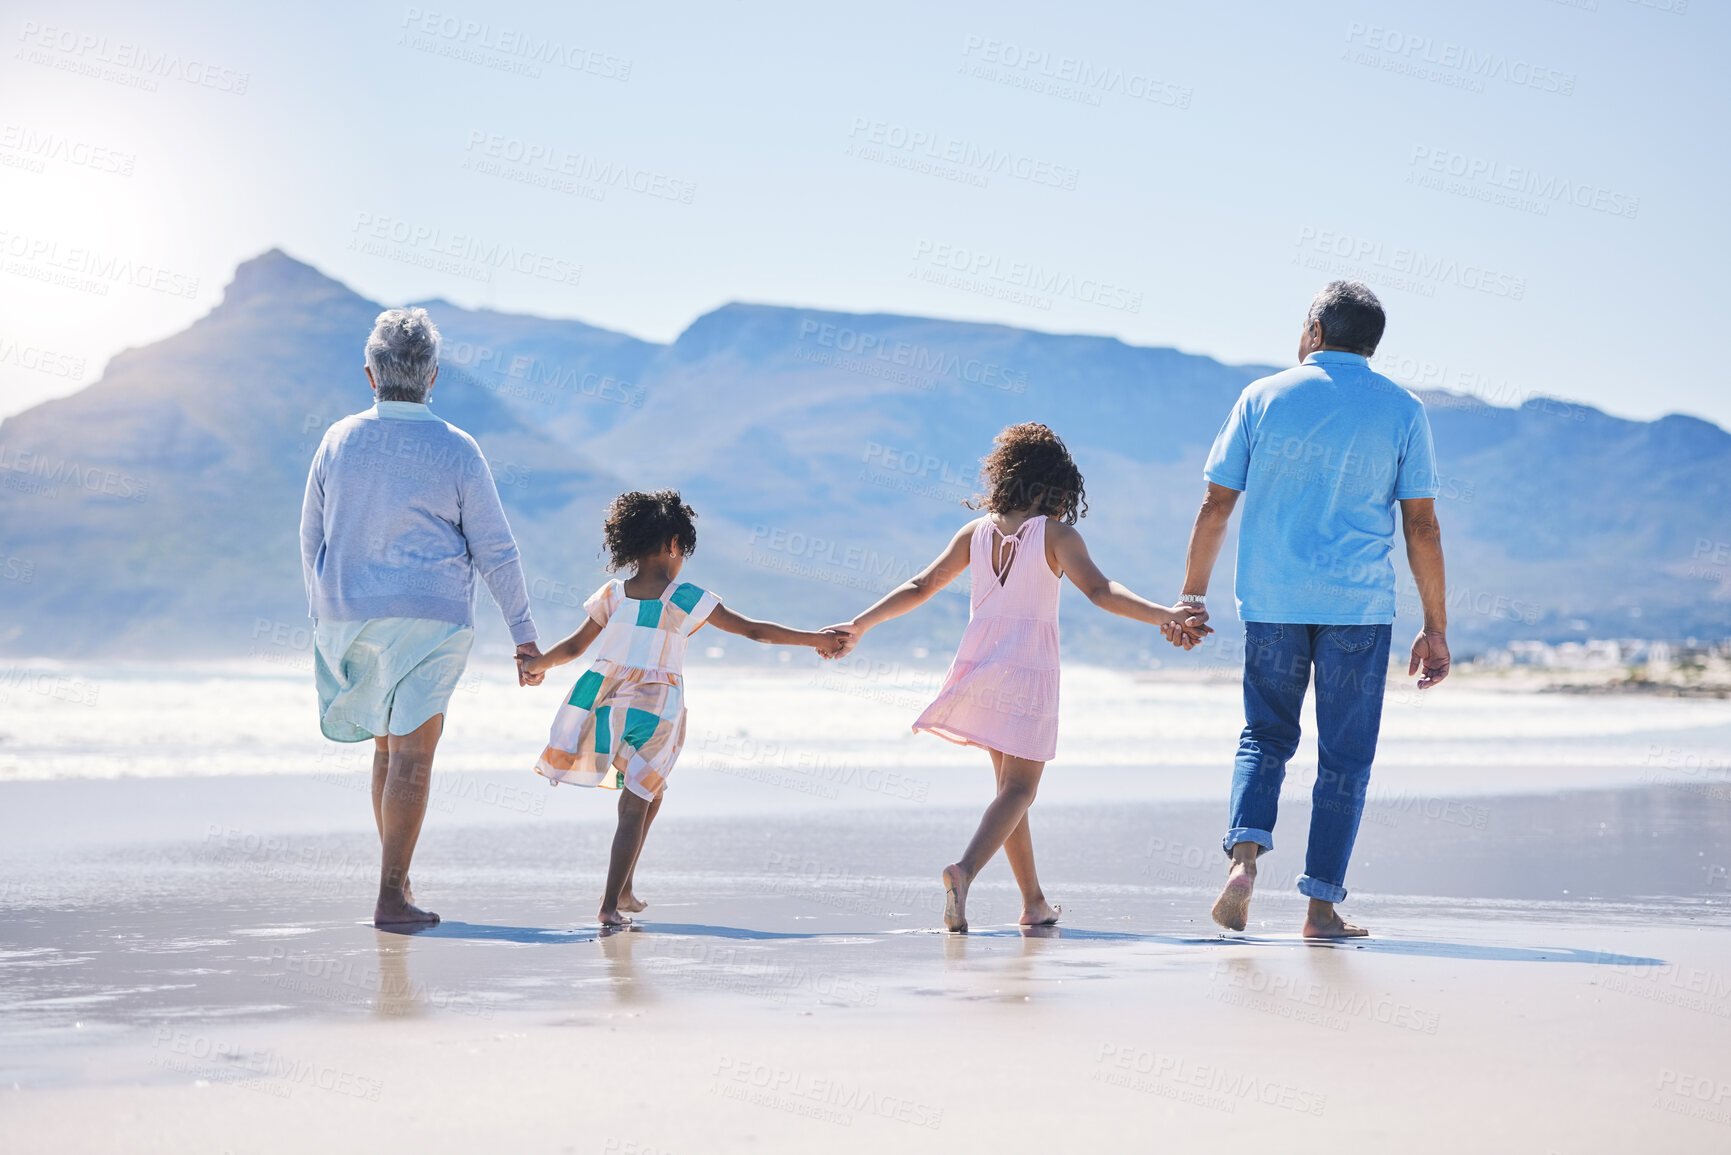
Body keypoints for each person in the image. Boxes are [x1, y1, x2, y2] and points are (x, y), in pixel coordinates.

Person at [828, 424, 1209, 931]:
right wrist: (1165, 613)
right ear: (1056, 484)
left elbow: (921, 586)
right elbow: (1100, 591)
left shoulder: (976, 532)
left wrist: (861, 623)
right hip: (1028, 669)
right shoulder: (1056, 535)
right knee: (1020, 790)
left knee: (1009, 793)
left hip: (980, 663)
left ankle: (1033, 903)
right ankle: (964, 871)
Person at [1166, 280, 1450, 939]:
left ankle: (1242, 861)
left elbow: (1215, 504)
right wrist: (1434, 627)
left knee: (1264, 735)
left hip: (1270, 602)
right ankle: (1320, 909)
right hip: (1357, 610)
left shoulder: (1260, 397)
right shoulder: (1402, 408)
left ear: (1315, 332)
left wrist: (1192, 595)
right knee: (1344, 758)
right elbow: (1423, 527)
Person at [300, 306, 542, 928]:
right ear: (432, 375)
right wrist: (525, 635)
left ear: (370, 375)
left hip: (348, 614)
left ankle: (397, 884)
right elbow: (496, 548)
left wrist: (325, 609)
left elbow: (311, 537)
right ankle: (390, 893)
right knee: (413, 755)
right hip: (431, 617)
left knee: (386, 746)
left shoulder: (337, 439)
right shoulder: (458, 449)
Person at [519, 490, 846, 927]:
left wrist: (536, 665)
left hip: (608, 702)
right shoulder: (683, 596)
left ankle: (626, 890)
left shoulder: (612, 594)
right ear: (675, 544)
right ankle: (609, 904)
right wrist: (817, 639)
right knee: (637, 803)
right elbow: (753, 631)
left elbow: (575, 647)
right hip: (656, 709)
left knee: (649, 794)